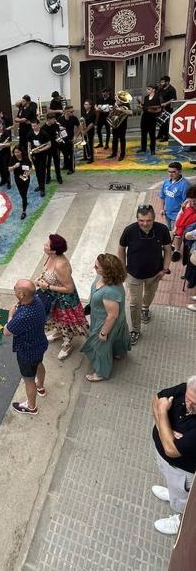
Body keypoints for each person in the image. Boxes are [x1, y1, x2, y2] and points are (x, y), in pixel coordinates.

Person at [118, 204, 172, 345]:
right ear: (137, 219)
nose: (145, 223)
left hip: (155, 273)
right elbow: (121, 248)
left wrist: (165, 269)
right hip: (134, 274)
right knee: (135, 302)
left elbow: (167, 250)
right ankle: (135, 329)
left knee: (149, 295)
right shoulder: (129, 230)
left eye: (148, 220)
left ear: (154, 218)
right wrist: (123, 268)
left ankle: (146, 308)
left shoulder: (162, 230)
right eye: (141, 220)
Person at [149, 377, 196, 535]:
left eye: (195, 405)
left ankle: (181, 521)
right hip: (166, 462)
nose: (189, 407)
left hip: (183, 472)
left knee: (185, 501)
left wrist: (163, 413)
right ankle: (172, 493)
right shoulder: (186, 389)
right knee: (173, 485)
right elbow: (156, 398)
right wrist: (166, 432)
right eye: (188, 400)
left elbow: (171, 450)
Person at [36, 234, 88, 359]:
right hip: (52, 297)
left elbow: (69, 289)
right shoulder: (50, 256)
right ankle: (58, 332)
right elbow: (47, 273)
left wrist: (47, 286)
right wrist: (40, 280)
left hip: (65, 301)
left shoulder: (61, 265)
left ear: (53, 250)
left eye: (47, 245)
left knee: (66, 323)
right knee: (55, 318)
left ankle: (67, 344)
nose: (44, 245)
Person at [81, 253, 131, 381]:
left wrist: (103, 333)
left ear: (107, 271)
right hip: (105, 317)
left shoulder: (110, 292)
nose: (94, 268)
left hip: (104, 323)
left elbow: (112, 316)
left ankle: (101, 373)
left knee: (101, 347)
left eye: (97, 267)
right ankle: (118, 353)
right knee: (117, 338)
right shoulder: (106, 278)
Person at [3, 279, 48, 415]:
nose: (14, 289)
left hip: (27, 351)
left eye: (15, 288)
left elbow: (7, 331)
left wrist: (11, 314)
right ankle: (40, 387)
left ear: (22, 294)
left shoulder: (22, 316)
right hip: (40, 343)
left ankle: (31, 407)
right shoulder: (37, 300)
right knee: (39, 363)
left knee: (28, 380)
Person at [159, 162, 190, 231]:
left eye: (173, 172)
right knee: (168, 232)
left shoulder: (185, 185)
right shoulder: (166, 182)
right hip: (167, 214)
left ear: (180, 172)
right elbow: (162, 196)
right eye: (169, 171)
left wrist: (182, 216)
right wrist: (162, 208)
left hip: (177, 216)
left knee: (174, 235)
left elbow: (187, 203)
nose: (170, 174)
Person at [28, 120, 51, 197]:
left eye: (35, 125)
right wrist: (29, 154)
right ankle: (40, 185)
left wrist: (40, 150)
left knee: (42, 171)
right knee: (37, 171)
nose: (33, 127)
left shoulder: (44, 133)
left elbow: (49, 145)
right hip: (34, 155)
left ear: (38, 125)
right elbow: (29, 144)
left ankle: (42, 189)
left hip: (42, 155)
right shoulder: (30, 133)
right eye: (32, 126)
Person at [138, 85, 161, 155]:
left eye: (148, 89)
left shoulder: (156, 98)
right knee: (143, 134)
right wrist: (141, 106)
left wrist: (150, 110)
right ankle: (143, 148)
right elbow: (145, 106)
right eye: (147, 89)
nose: (147, 90)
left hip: (152, 118)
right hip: (144, 118)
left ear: (153, 90)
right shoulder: (146, 97)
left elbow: (158, 108)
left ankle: (152, 150)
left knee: (152, 135)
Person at [110, 90, 133, 161]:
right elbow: (112, 113)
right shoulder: (115, 104)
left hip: (122, 125)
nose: (117, 99)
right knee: (114, 139)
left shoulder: (126, 104)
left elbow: (131, 113)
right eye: (117, 98)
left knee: (122, 140)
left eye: (118, 98)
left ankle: (122, 155)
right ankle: (114, 153)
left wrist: (121, 110)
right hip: (115, 124)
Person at [9, 146, 31, 219]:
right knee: (21, 192)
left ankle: (24, 211)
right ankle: (24, 200)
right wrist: (14, 166)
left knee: (24, 193)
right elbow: (9, 169)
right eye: (15, 152)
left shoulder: (25, 158)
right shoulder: (13, 158)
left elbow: (30, 167)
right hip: (17, 177)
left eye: (18, 152)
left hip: (25, 177)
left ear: (21, 152)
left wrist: (28, 173)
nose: (16, 154)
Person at [43, 114, 63, 185]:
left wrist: (60, 138)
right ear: (48, 119)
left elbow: (59, 134)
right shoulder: (43, 128)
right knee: (47, 164)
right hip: (47, 148)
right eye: (53, 119)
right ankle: (48, 177)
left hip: (55, 147)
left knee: (57, 163)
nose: (55, 120)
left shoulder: (56, 125)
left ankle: (59, 177)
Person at [59, 106, 80, 174]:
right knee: (65, 154)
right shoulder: (60, 119)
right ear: (66, 112)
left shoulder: (74, 118)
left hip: (70, 139)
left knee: (71, 154)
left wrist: (75, 137)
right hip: (63, 139)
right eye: (71, 111)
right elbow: (57, 127)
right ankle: (66, 165)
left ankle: (71, 168)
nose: (72, 113)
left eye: (73, 111)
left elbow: (79, 128)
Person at [157, 75, 177, 142]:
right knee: (160, 121)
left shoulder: (172, 89)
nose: (161, 83)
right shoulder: (161, 89)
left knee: (165, 123)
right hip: (161, 108)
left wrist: (165, 103)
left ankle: (166, 137)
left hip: (168, 108)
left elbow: (173, 99)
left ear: (167, 82)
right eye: (161, 82)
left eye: (162, 82)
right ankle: (160, 135)